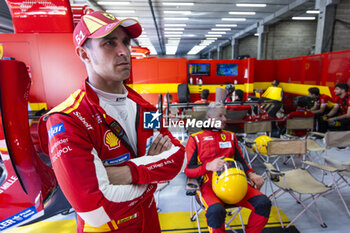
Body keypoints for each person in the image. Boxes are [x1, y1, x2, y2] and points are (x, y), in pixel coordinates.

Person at [38, 11, 185, 233]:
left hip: (150, 223)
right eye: (109, 43)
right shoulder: (68, 120)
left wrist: (127, 173)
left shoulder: (144, 107)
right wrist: (153, 175)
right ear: (84, 55)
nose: (124, 51)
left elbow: (178, 157)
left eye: (125, 42)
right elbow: (96, 210)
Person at [185, 102, 271, 233]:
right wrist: (207, 166)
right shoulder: (195, 139)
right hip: (209, 185)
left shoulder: (231, 136)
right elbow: (189, 171)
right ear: (209, 117)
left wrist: (251, 174)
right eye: (220, 116)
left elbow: (241, 160)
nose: (225, 119)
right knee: (216, 211)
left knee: (263, 203)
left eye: (225, 115)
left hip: (237, 182)